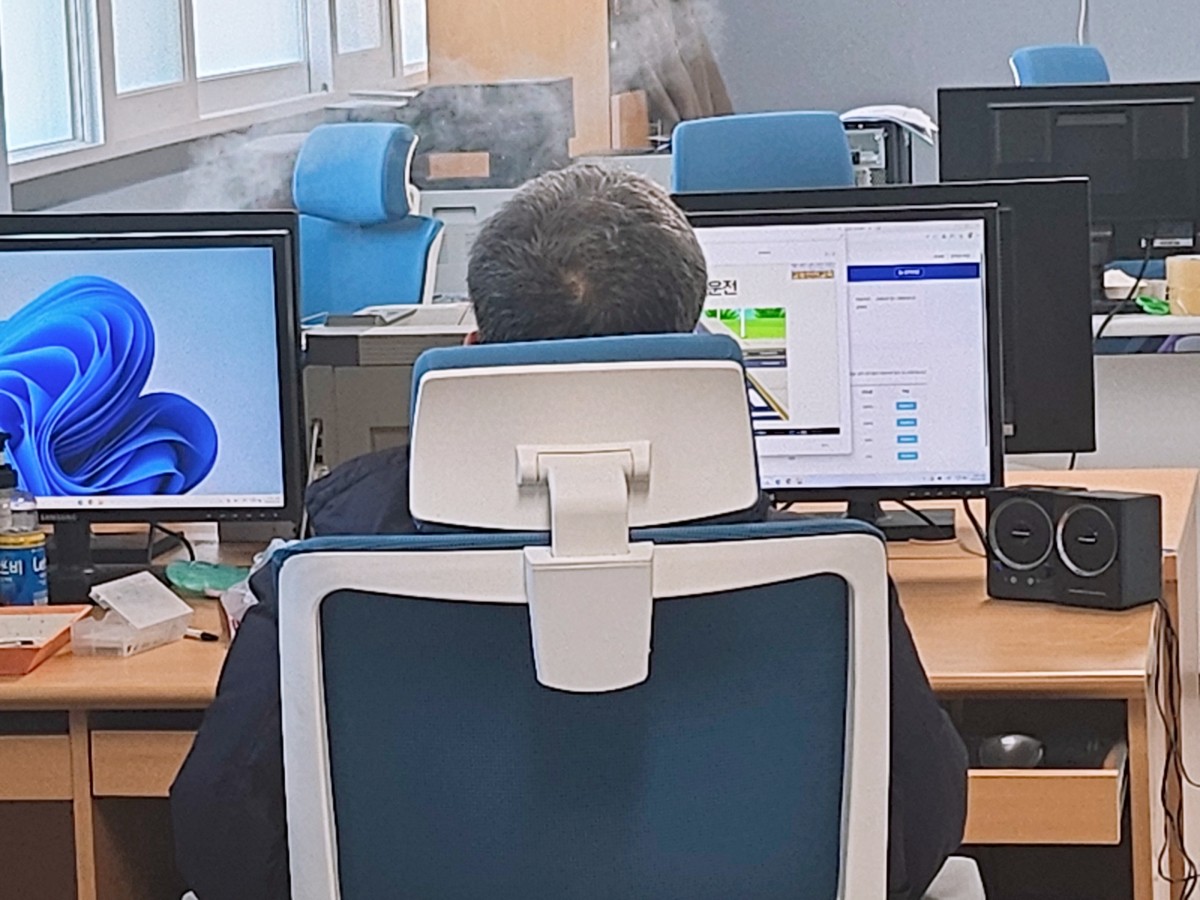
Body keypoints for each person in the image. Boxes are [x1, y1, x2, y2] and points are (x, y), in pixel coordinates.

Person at [171, 163, 968, 900]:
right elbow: (918, 826)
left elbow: (218, 836)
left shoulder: (341, 549)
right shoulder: (812, 573)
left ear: (474, 349)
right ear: (694, 352)